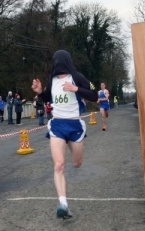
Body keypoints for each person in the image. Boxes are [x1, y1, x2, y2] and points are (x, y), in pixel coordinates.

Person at [31, 50, 98, 219]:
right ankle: (63, 204)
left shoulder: (77, 77)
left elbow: (95, 95)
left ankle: (64, 202)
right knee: (59, 165)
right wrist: (40, 91)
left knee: (76, 163)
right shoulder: (51, 80)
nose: (59, 64)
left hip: (74, 124)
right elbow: (48, 97)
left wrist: (76, 88)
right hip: (58, 124)